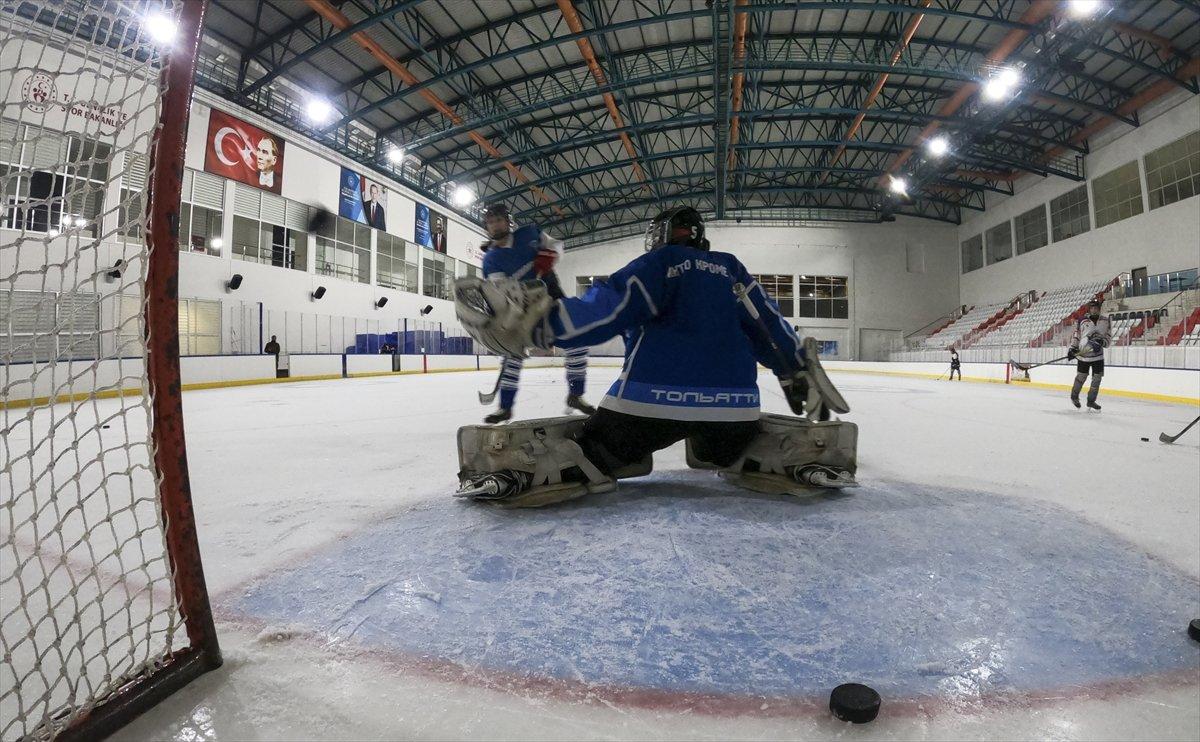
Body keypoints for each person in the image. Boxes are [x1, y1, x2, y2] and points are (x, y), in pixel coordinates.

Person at [453, 206, 855, 506]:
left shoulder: (661, 262)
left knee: (597, 446)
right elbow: (769, 327)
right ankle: (756, 452)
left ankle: (559, 464)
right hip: (733, 413)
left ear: (664, 235)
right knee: (727, 442)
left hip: (648, 406)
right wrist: (793, 369)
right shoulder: (732, 268)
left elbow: (606, 311)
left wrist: (542, 324)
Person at [479, 202, 594, 423]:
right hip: (522, 310)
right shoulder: (491, 260)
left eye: (499, 220)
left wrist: (550, 254)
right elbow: (502, 293)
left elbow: (556, 245)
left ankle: (576, 395)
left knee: (577, 340)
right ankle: (505, 407)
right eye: (490, 222)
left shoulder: (529, 233)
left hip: (552, 296)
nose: (495, 226)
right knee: (512, 354)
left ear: (508, 221)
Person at [1068, 299, 1111, 410]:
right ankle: (1074, 397)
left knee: (1097, 379)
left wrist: (1103, 342)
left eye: (1096, 308)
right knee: (1081, 377)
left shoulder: (1106, 321)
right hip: (1084, 355)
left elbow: (1108, 337)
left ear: (1099, 309)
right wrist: (1072, 348)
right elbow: (1076, 335)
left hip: (1098, 356)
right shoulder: (1082, 320)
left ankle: (1091, 401)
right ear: (1089, 309)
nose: (1094, 310)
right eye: (1092, 308)